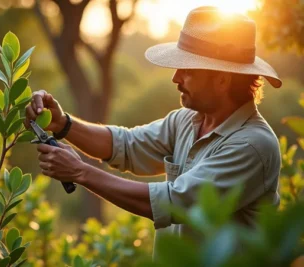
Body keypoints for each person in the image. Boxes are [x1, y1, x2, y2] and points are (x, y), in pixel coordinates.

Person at [24, 6, 282, 257]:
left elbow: (172, 202)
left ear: (222, 79)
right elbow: (126, 145)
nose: (176, 78)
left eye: (188, 70)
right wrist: (63, 124)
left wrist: (80, 172)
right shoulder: (186, 120)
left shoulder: (251, 145)